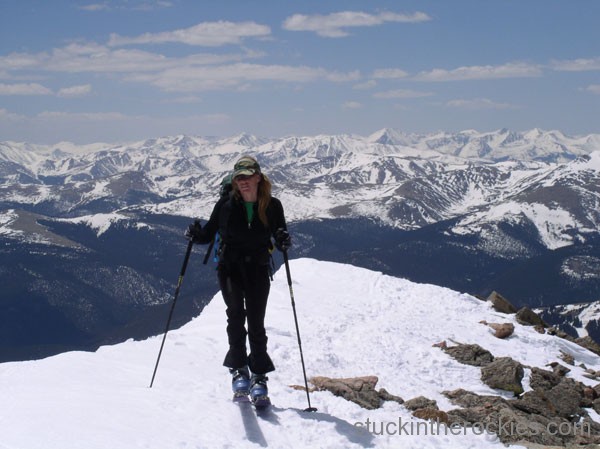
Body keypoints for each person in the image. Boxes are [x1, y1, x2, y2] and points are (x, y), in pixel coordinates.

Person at [185, 155, 291, 402]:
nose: (243, 182)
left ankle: (259, 374)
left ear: (258, 178)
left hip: (257, 269)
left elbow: (279, 233)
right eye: (238, 178)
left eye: (247, 177)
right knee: (235, 315)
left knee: (256, 321)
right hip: (230, 268)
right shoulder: (225, 206)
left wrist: (283, 239)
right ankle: (239, 369)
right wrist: (195, 234)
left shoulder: (273, 206)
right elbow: (209, 234)